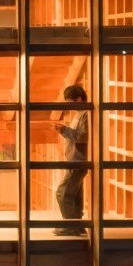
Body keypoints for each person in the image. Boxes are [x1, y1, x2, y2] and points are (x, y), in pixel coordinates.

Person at [52, 83, 90, 236]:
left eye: (70, 101)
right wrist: (64, 130)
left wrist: (64, 130)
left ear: (79, 99)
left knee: (63, 192)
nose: (68, 104)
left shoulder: (86, 114)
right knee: (74, 194)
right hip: (74, 159)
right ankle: (77, 225)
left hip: (79, 160)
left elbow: (82, 137)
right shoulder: (79, 113)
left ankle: (70, 226)